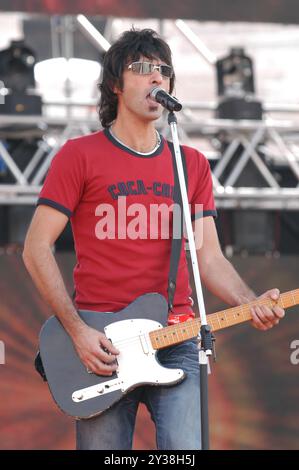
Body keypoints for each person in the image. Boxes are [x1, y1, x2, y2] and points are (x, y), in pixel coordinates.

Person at [23, 28, 285, 450]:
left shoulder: (191, 163)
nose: (156, 78)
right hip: (100, 345)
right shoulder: (79, 155)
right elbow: (36, 248)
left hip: (177, 338)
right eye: (142, 69)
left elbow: (209, 257)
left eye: (163, 70)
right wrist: (77, 332)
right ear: (114, 84)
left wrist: (248, 300)